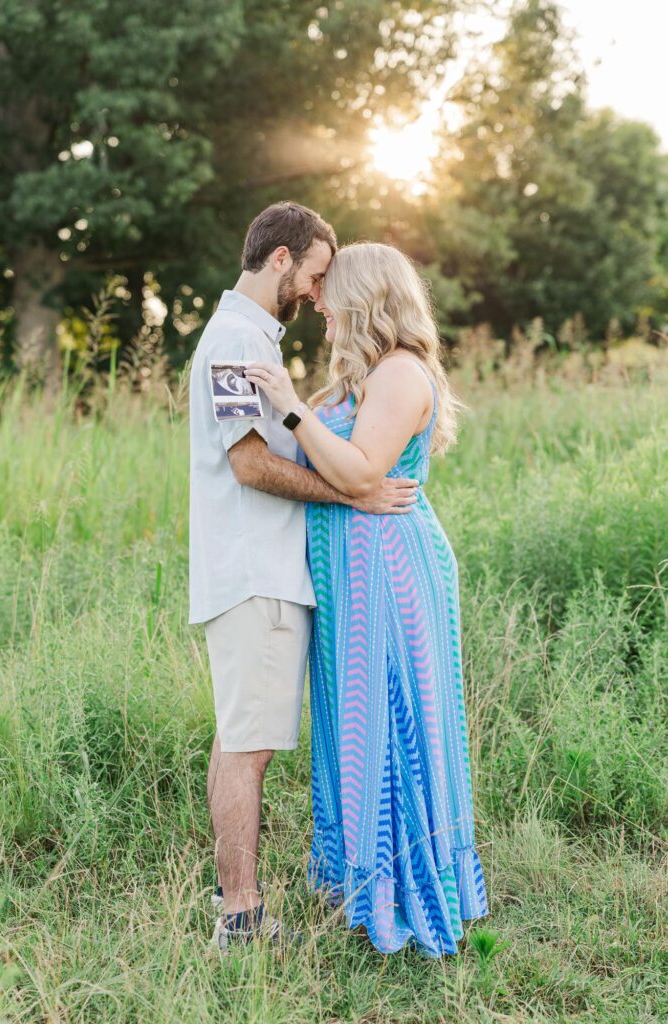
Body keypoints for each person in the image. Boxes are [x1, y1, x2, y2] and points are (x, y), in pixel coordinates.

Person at [246, 241, 490, 957]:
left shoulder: (402, 372)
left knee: (393, 724)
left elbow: (358, 471)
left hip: (390, 572)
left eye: (329, 291)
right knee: (355, 724)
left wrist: (290, 407)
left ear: (366, 297)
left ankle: (407, 893)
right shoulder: (360, 376)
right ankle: (363, 890)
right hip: (354, 576)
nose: (317, 300)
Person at [188, 205, 420, 952]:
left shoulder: (256, 339)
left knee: (245, 738)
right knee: (248, 744)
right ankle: (242, 917)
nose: (320, 293)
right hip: (255, 573)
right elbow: (250, 463)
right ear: (282, 260)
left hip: (271, 573)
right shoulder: (232, 341)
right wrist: (353, 492)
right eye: (317, 274)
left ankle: (241, 906)